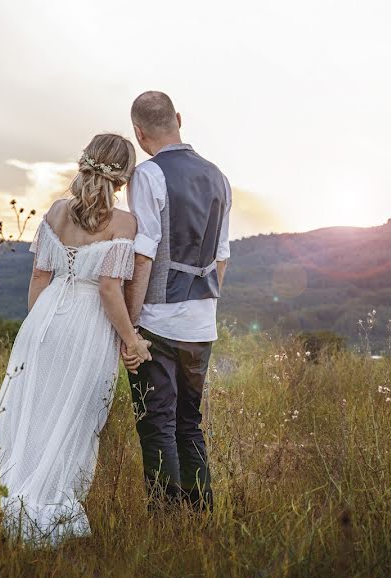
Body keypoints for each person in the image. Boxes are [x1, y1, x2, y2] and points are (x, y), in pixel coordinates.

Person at [0, 133, 152, 545]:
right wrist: (131, 340)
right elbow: (108, 289)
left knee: (33, 410)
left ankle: (9, 485)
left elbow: (39, 277)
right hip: (88, 327)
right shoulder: (124, 223)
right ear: (124, 176)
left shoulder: (56, 212)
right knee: (73, 416)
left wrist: (38, 329)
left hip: (44, 321)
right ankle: (46, 494)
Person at [122, 91, 231, 511]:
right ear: (179, 119)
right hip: (203, 322)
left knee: (157, 424)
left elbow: (144, 254)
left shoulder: (147, 176)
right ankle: (201, 513)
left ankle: (167, 521)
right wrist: (204, 306)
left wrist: (130, 328)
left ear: (139, 132)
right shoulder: (219, 176)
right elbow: (222, 257)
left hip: (158, 320)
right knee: (190, 423)